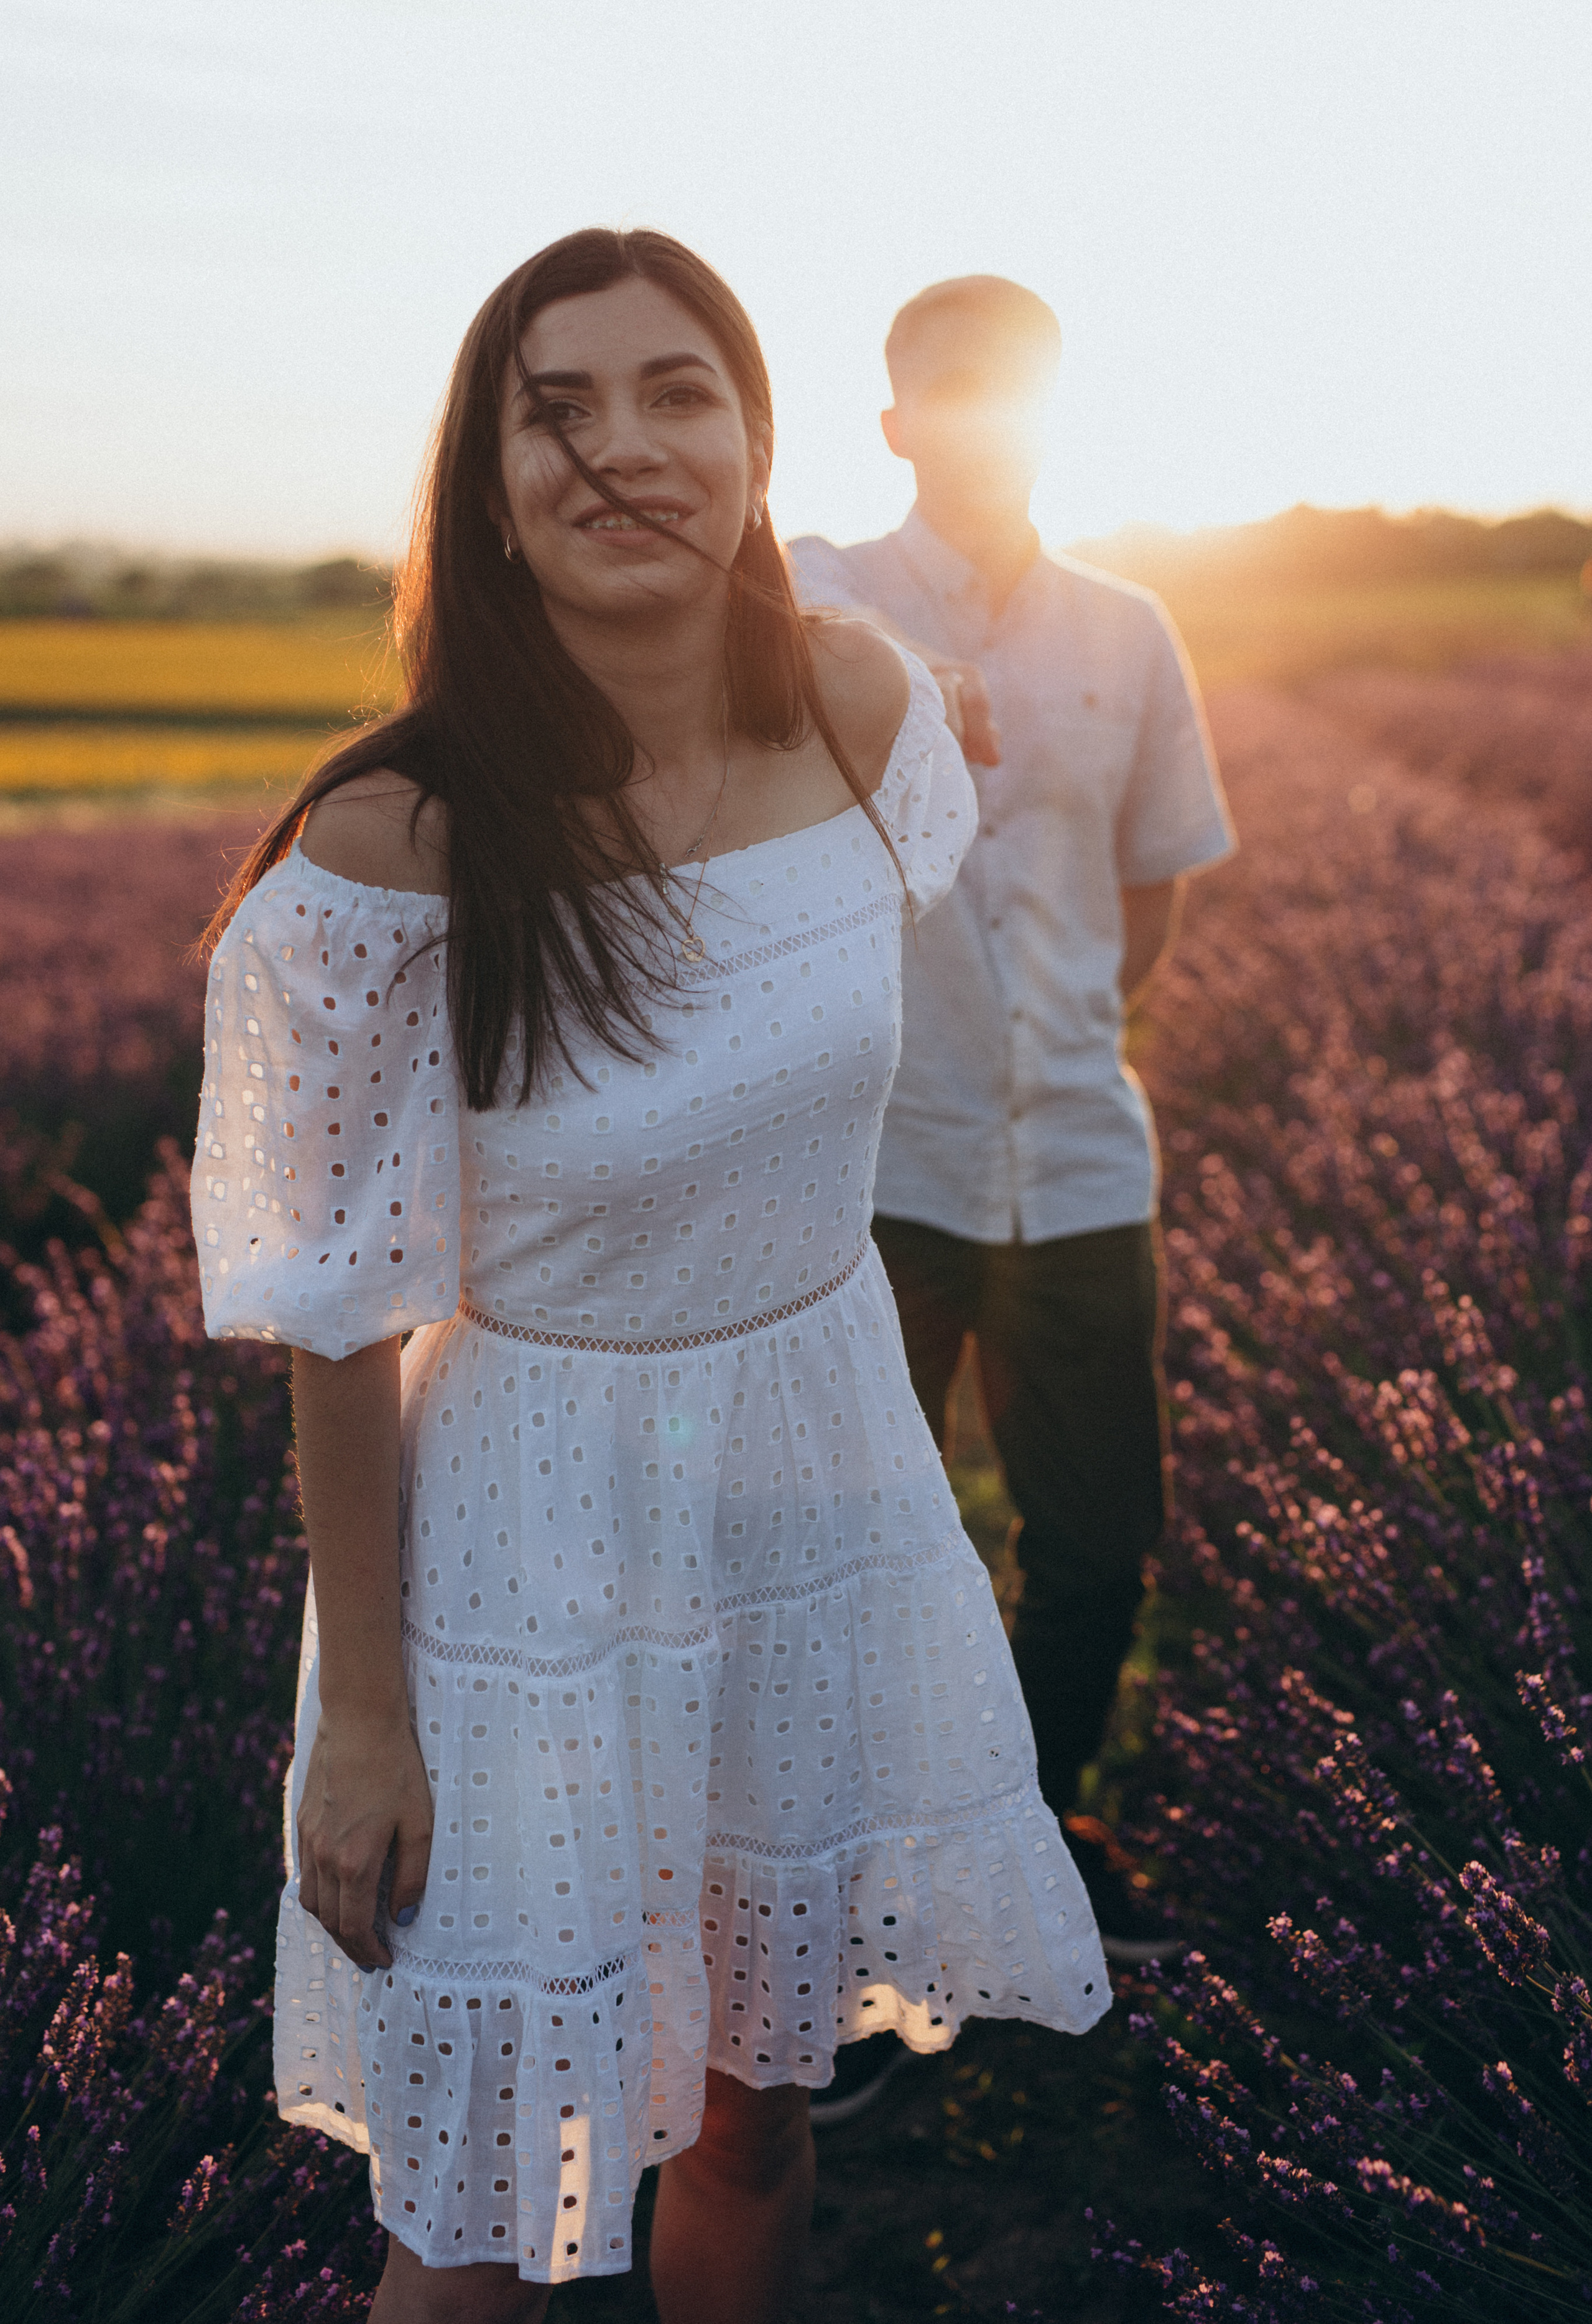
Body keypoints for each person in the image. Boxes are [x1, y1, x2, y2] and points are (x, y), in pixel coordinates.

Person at [192, 231, 1108, 2324]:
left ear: (758, 442)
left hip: (819, 1489)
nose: (624, 449)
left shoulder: (867, 711)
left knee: (755, 2104)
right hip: (527, 1532)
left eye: (676, 393)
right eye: (558, 409)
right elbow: (339, 1314)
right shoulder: (396, 844)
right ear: (488, 486)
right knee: (481, 2192)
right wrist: (369, 1725)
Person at [789, 277, 1234, 1994]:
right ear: (895, 423)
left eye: (1013, 391)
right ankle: (872, 1874)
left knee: (1101, 1535)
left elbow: (1155, 877)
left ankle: (1035, 1828)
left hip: (1075, 1151)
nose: (978, 420)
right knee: (858, 1545)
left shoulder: (1129, 628)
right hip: (875, 1166)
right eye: (945, 391)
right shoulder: (819, 594)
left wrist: (1068, 1032)